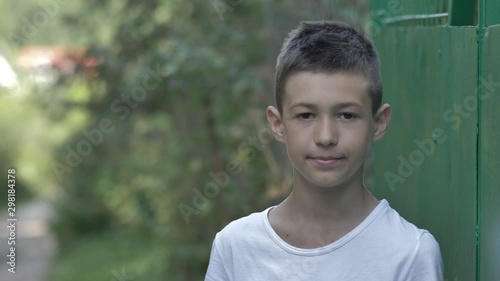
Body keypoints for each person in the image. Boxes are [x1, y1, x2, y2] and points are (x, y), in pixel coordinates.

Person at [205, 21, 443, 281]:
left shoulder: (410, 253)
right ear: (278, 124)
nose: (326, 137)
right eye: (306, 115)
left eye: (347, 115)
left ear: (378, 123)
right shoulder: (235, 248)